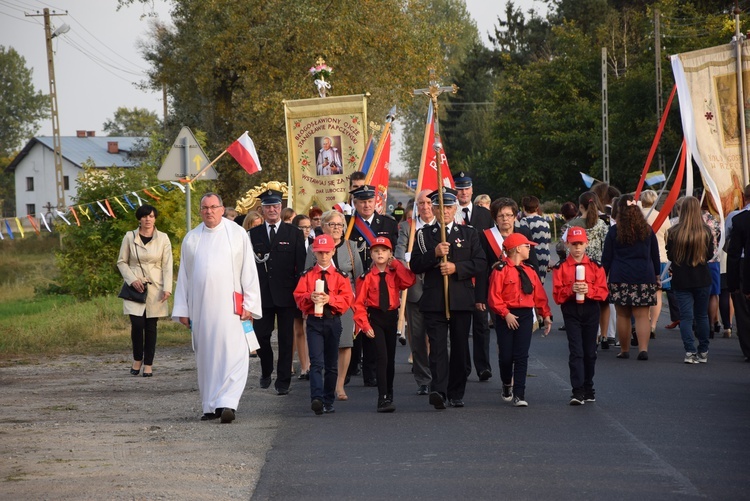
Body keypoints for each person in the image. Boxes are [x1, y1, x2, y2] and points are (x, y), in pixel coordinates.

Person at [172, 193, 262, 423]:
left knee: (234, 354)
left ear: (222, 209)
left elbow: (249, 270)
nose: (209, 211)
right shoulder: (191, 239)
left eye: (214, 207)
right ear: (200, 211)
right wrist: (183, 308)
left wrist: (250, 303)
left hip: (232, 307)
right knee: (208, 357)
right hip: (202, 309)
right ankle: (210, 405)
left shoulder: (237, 233)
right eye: (205, 208)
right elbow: (185, 276)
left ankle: (228, 403)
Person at [410, 187, 486, 410]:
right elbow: (415, 265)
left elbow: (480, 263)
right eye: (439, 207)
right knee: (438, 348)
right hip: (434, 300)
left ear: (455, 209)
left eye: (449, 207)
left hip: (461, 300)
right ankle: (438, 391)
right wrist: (433, 254)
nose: (444, 211)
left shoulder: (469, 234)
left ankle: (456, 392)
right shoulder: (424, 235)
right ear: (433, 209)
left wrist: (456, 267)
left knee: (460, 349)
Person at [248, 189, 307, 395]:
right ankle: (266, 368)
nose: (272, 210)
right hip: (262, 295)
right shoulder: (252, 234)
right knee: (261, 336)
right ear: (262, 209)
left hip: (287, 294)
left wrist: (300, 294)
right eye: (268, 207)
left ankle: (283, 381)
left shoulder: (294, 233)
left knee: (285, 339)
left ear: (280, 208)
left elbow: (301, 267)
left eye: (275, 206)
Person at [487, 232, 552, 407]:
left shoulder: (529, 271)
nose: (529, 248)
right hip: (506, 315)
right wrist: (505, 313)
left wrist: (545, 315)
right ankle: (507, 383)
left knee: (521, 355)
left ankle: (519, 394)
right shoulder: (500, 270)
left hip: (524, 315)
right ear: (516, 249)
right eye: (526, 246)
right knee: (506, 356)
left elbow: (539, 295)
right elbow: (494, 297)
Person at [304, 210, 363, 400]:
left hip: (344, 303)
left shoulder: (351, 247)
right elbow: (306, 274)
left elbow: (360, 277)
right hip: (319, 304)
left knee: (345, 344)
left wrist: (359, 305)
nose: (337, 228)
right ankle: (322, 385)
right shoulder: (314, 248)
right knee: (323, 347)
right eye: (332, 224)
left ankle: (339, 385)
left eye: (340, 225)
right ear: (323, 226)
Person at [353, 237, 416, 412]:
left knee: (390, 360)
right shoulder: (365, 277)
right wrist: (365, 325)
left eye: (384, 250)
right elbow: (358, 304)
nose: (380, 253)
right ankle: (382, 398)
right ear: (371, 254)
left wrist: (396, 264)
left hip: (391, 317)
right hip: (375, 318)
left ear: (390, 254)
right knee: (382, 357)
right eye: (376, 251)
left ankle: (390, 393)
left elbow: (409, 281)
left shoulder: (395, 273)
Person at [293, 234, 354, 415]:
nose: (324, 256)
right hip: (314, 322)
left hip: (332, 321)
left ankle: (329, 399)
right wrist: (308, 297)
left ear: (333, 251)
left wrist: (331, 299)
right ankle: (317, 398)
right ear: (314, 252)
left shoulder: (340, 276)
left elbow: (347, 299)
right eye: (320, 253)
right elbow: (298, 296)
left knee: (331, 363)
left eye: (327, 252)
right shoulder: (307, 275)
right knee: (317, 362)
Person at [346, 184, 399, 387]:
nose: (366, 205)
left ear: (375, 201)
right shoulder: (349, 224)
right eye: (362, 202)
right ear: (355, 203)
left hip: (380, 284)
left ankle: (371, 372)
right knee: (356, 326)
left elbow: (393, 255)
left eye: (369, 201)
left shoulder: (387, 223)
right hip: (355, 282)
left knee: (373, 328)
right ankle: (351, 367)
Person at [552, 228, 608, 404]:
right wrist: (571, 290)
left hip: (591, 310)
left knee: (590, 352)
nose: (577, 248)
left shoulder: (595, 266)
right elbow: (557, 295)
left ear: (586, 244)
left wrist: (589, 290)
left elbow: (604, 293)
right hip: (571, 311)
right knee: (576, 351)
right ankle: (577, 391)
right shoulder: (560, 267)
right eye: (574, 244)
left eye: (580, 244)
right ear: (567, 244)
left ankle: (588, 386)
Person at [117, 204, 173, 378]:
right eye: (144, 216)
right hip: (135, 285)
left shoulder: (163, 238)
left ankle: (148, 363)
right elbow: (121, 261)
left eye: (151, 216)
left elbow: (167, 264)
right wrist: (132, 279)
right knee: (137, 324)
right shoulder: (129, 237)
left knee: (151, 326)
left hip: (155, 285)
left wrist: (168, 288)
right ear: (139, 219)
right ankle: (137, 359)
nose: (148, 219)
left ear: (155, 218)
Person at [602, 195, 661, 360]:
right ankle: (643, 350)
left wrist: (602, 276)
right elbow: (655, 255)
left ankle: (625, 350)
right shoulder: (647, 230)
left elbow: (607, 258)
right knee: (642, 315)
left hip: (620, 276)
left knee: (623, 315)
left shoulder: (614, 231)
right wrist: (657, 275)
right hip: (644, 275)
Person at [395, 189, 437, 396]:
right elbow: (399, 256)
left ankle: (440, 375)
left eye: (429, 202)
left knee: (440, 336)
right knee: (418, 336)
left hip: (439, 288)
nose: (426, 207)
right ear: (416, 206)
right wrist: (407, 274)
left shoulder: (443, 227)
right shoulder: (407, 227)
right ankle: (423, 378)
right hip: (415, 288)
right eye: (421, 203)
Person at [453, 172, 494, 382]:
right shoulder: (450, 212)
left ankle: (483, 367)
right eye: (459, 188)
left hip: (480, 275)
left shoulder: (484, 214)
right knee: (460, 327)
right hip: (458, 275)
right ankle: (464, 367)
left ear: (472, 190)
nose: (463, 192)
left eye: (467, 188)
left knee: (481, 324)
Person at [666, 196, 713, 364]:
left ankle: (689, 351)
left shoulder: (673, 232)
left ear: (682, 211)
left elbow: (670, 255)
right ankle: (703, 350)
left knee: (686, 317)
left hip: (681, 279)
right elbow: (709, 255)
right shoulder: (706, 231)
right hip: (702, 277)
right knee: (702, 316)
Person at [562, 192, 611, 347]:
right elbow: (607, 248)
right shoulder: (602, 224)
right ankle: (604, 335)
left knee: (582, 302)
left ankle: (592, 335)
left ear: (580, 206)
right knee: (602, 302)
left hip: (578, 266)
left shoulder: (572, 225)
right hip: (598, 267)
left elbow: (564, 247)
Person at [640, 190, 671, 339]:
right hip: (661, 258)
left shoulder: (638, 216)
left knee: (643, 292)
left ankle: (644, 322)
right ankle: (653, 325)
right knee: (657, 293)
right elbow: (668, 237)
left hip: (643, 258)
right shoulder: (662, 217)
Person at [726, 183, 750, 361]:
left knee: (742, 310)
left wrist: (732, 283)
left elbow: (733, 252)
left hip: (743, 266)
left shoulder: (739, 219)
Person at [292, 214, 313, 380]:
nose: (305, 230)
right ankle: (304, 367)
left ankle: (312, 364)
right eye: (302, 227)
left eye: (308, 227)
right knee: (298, 329)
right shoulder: (292, 244)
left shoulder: (314, 244)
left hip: (313, 290)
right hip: (296, 289)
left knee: (310, 328)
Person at [700, 197, 722, 337]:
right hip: (713, 260)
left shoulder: (695, 219)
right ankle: (712, 323)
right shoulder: (715, 221)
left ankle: (701, 321)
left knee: (700, 294)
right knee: (713, 294)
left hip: (698, 260)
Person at [519, 195, 552, 283]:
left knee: (531, 281)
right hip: (545, 255)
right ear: (537, 207)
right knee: (540, 283)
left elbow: (523, 240)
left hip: (532, 255)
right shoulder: (545, 222)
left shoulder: (525, 221)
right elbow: (548, 242)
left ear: (523, 207)